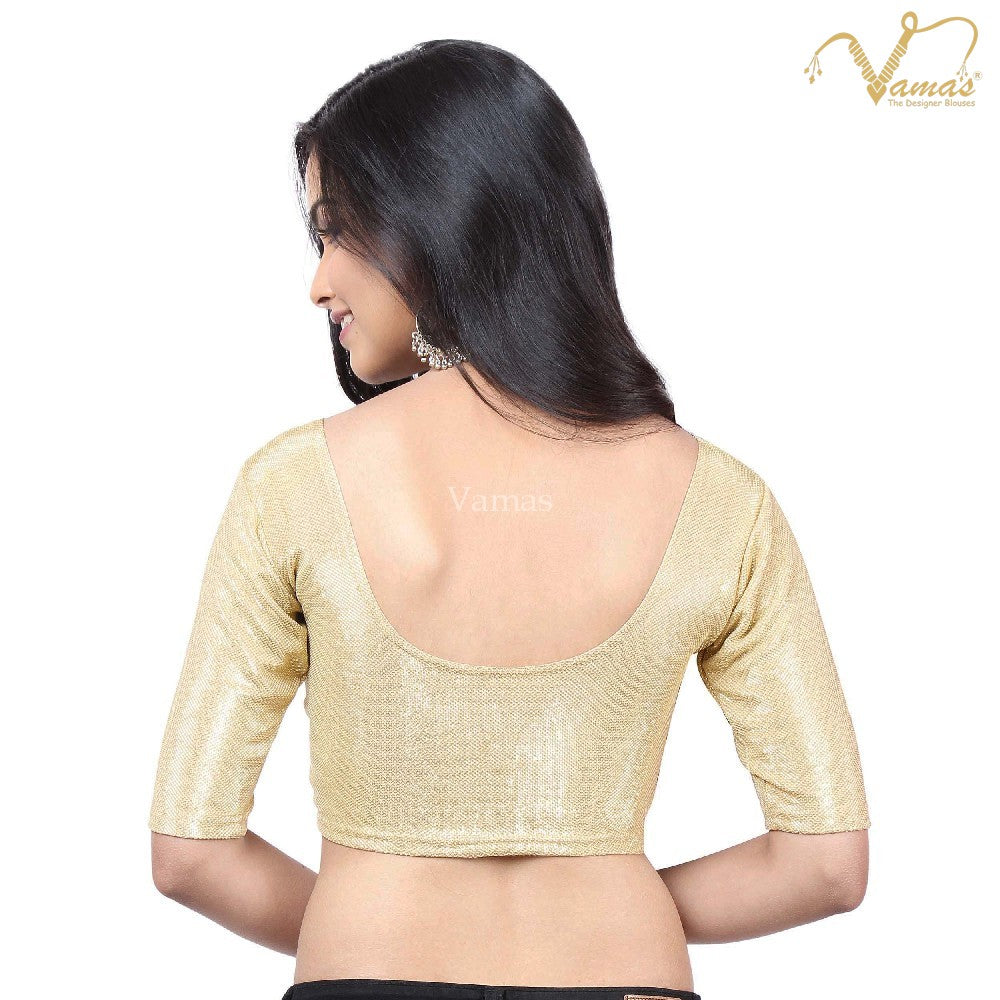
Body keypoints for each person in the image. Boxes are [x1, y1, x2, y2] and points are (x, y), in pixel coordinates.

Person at [147, 39, 870, 1000]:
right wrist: (612, 901)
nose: (317, 283)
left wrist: (372, 919)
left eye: (335, 234)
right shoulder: (720, 502)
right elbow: (826, 864)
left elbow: (189, 852)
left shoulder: (297, 485)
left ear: (434, 217)